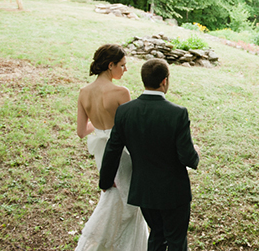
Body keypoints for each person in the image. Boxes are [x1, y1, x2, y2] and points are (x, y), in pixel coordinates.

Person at [99, 58, 200, 251]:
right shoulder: (177, 113)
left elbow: (113, 149)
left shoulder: (125, 112)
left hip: (144, 190)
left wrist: (105, 181)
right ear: (164, 81)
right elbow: (187, 157)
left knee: (157, 235)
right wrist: (195, 154)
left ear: (144, 80)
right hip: (174, 192)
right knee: (176, 241)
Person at [76, 44, 149, 250]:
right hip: (121, 152)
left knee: (112, 196)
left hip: (102, 153)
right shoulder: (120, 92)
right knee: (129, 203)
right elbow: (131, 131)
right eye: (123, 65)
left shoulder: (84, 92)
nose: (125, 70)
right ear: (111, 65)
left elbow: (82, 131)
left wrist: (101, 127)